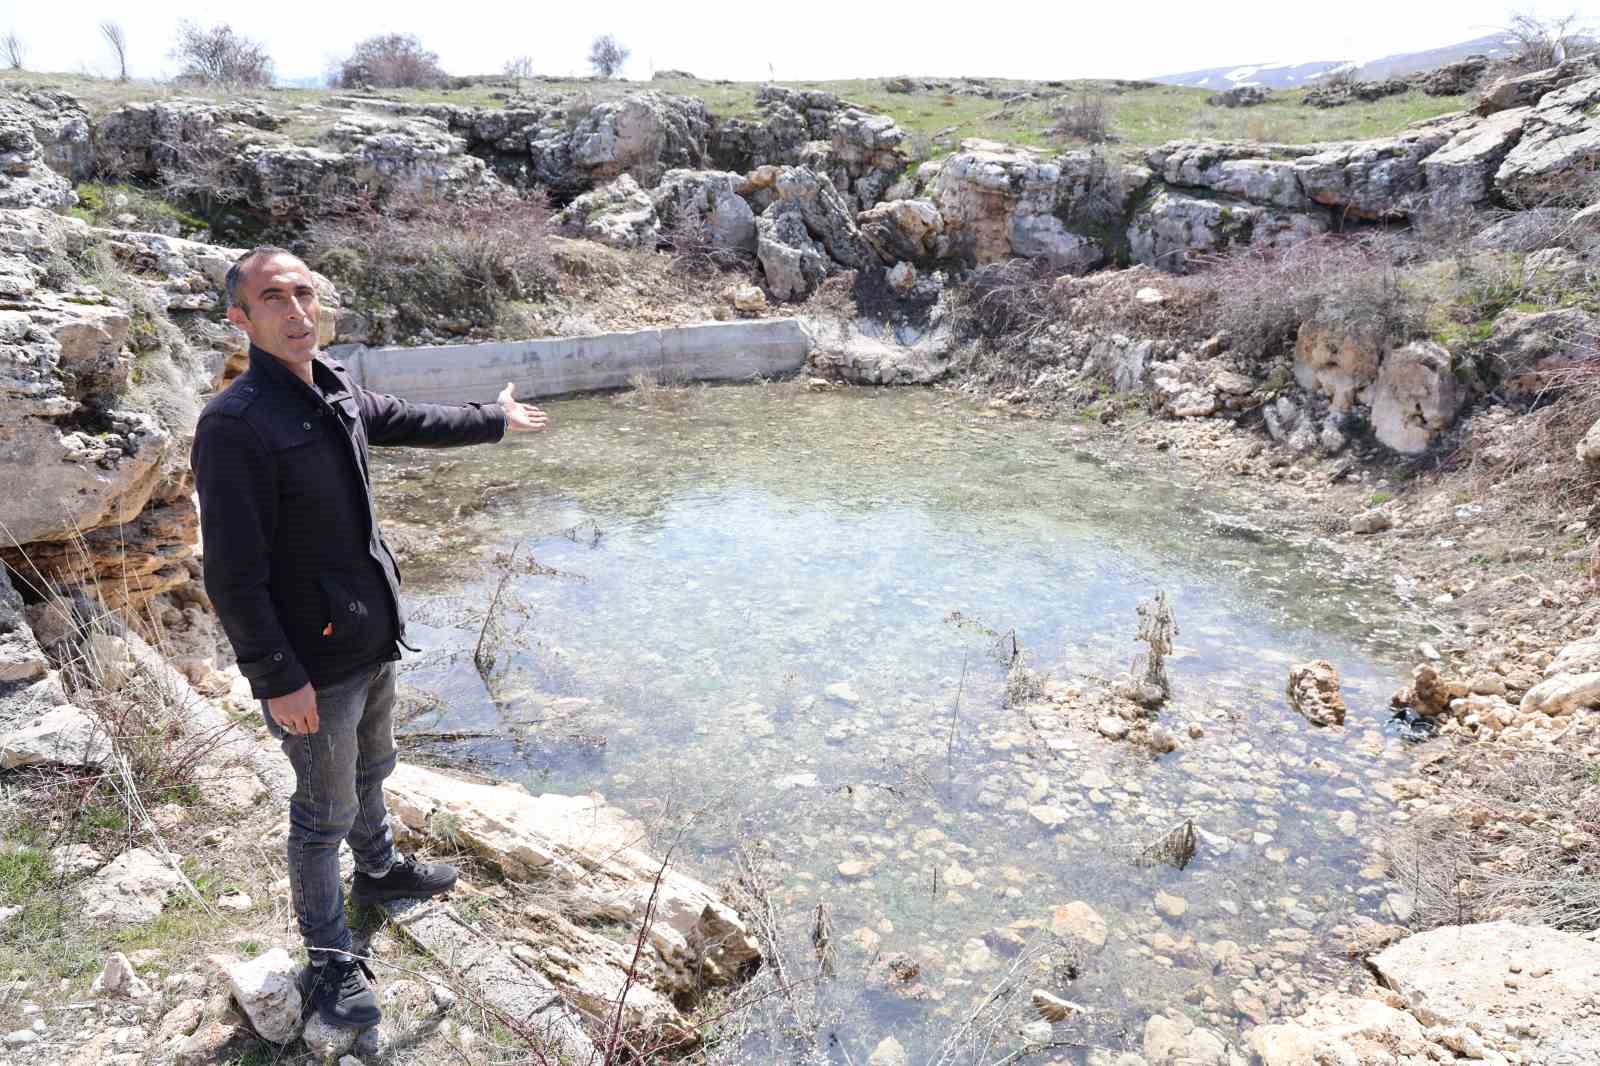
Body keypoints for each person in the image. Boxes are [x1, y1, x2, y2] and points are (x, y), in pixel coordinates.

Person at [191, 247, 549, 1030]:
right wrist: (276, 676)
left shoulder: (334, 388)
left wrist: (493, 418)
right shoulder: (235, 424)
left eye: (305, 294)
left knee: (375, 764)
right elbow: (232, 575)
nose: (295, 311)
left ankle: (381, 870)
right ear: (240, 319)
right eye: (273, 298)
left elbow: (403, 417)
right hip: (311, 661)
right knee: (321, 813)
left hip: (370, 630)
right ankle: (328, 958)